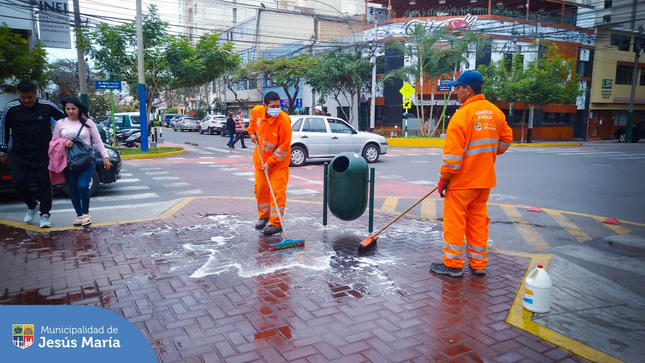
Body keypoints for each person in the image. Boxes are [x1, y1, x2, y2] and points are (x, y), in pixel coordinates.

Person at [429, 70, 513, 277]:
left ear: (468, 89)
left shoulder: (462, 116)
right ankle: (478, 263)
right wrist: (487, 154)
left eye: (458, 88)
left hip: (461, 183)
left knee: (455, 222)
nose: (456, 92)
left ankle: (453, 264)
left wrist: (443, 179)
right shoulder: (496, 113)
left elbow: (452, 159)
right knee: (477, 221)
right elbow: (505, 141)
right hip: (483, 181)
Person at [0, 81, 65, 228]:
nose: (27, 100)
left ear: (35, 94)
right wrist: (3, 150)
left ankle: (45, 214)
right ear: (19, 95)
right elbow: (3, 128)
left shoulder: (47, 106)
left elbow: (64, 121)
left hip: (43, 153)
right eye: (23, 97)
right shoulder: (11, 108)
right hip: (19, 153)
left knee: (44, 184)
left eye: (29, 97)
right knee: (19, 182)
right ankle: (32, 204)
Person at [52, 97, 112, 227]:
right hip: (69, 162)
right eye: (68, 109)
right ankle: (79, 215)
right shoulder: (60, 123)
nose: (70, 111)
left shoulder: (88, 122)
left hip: (87, 160)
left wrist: (105, 157)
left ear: (79, 109)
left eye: (73, 108)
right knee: (72, 188)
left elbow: (98, 141)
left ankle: (85, 213)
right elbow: (54, 142)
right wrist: (64, 142)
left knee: (83, 185)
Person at [247, 92, 292, 236]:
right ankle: (263, 216)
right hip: (260, 161)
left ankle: (276, 223)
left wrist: (271, 162)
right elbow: (252, 122)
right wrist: (251, 133)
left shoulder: (283, 121)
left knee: (277, 192)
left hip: (278, 164)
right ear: (265, 106)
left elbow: (284, 147)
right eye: (273, 106)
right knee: (261, 190)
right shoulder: (257, 111)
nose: (276, 109)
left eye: (278, 106)